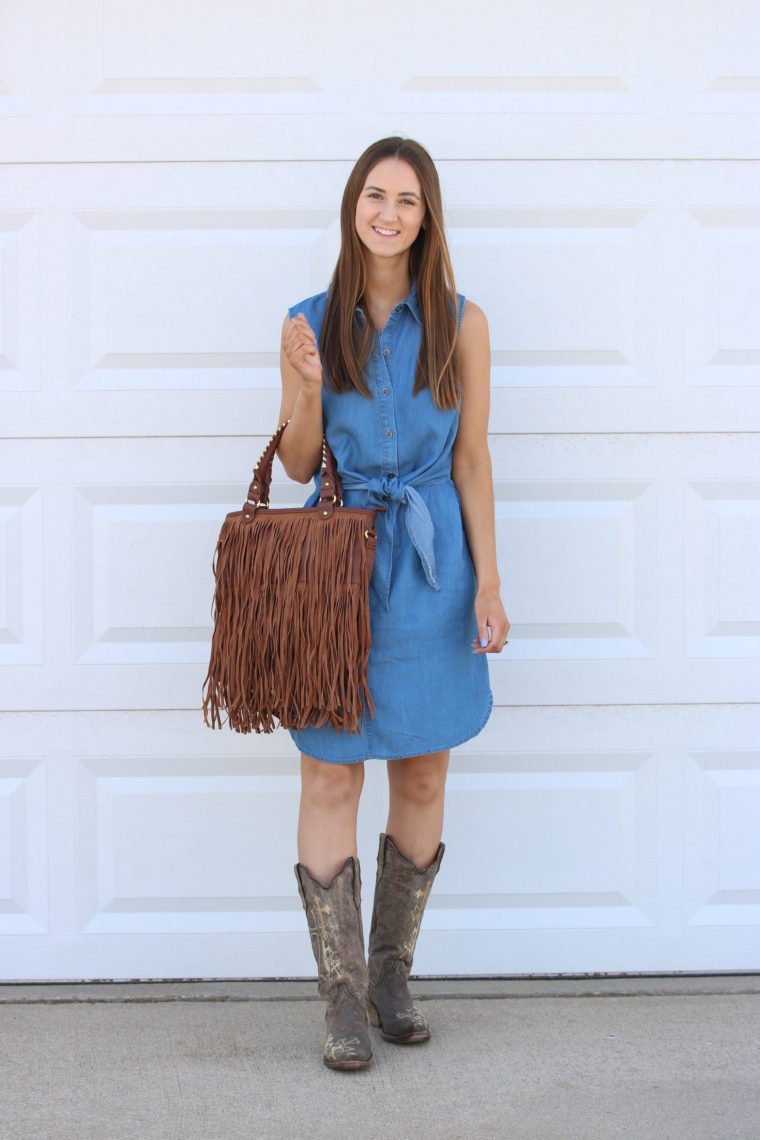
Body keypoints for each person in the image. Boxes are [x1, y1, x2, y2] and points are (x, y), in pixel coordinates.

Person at [276, 136, 510, 1071]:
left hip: (430, 569)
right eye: (375, 195)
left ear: (427, 215)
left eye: (407, 200)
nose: (388, 212)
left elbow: (472, 460)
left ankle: (389, 976)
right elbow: (298, 462)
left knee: (422, 772)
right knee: (331, 773)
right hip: (334, 575)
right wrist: (301, 385)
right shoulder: (304, 318)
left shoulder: (464, 323)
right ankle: (338, 996)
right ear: (352, 207)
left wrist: (489, 581)